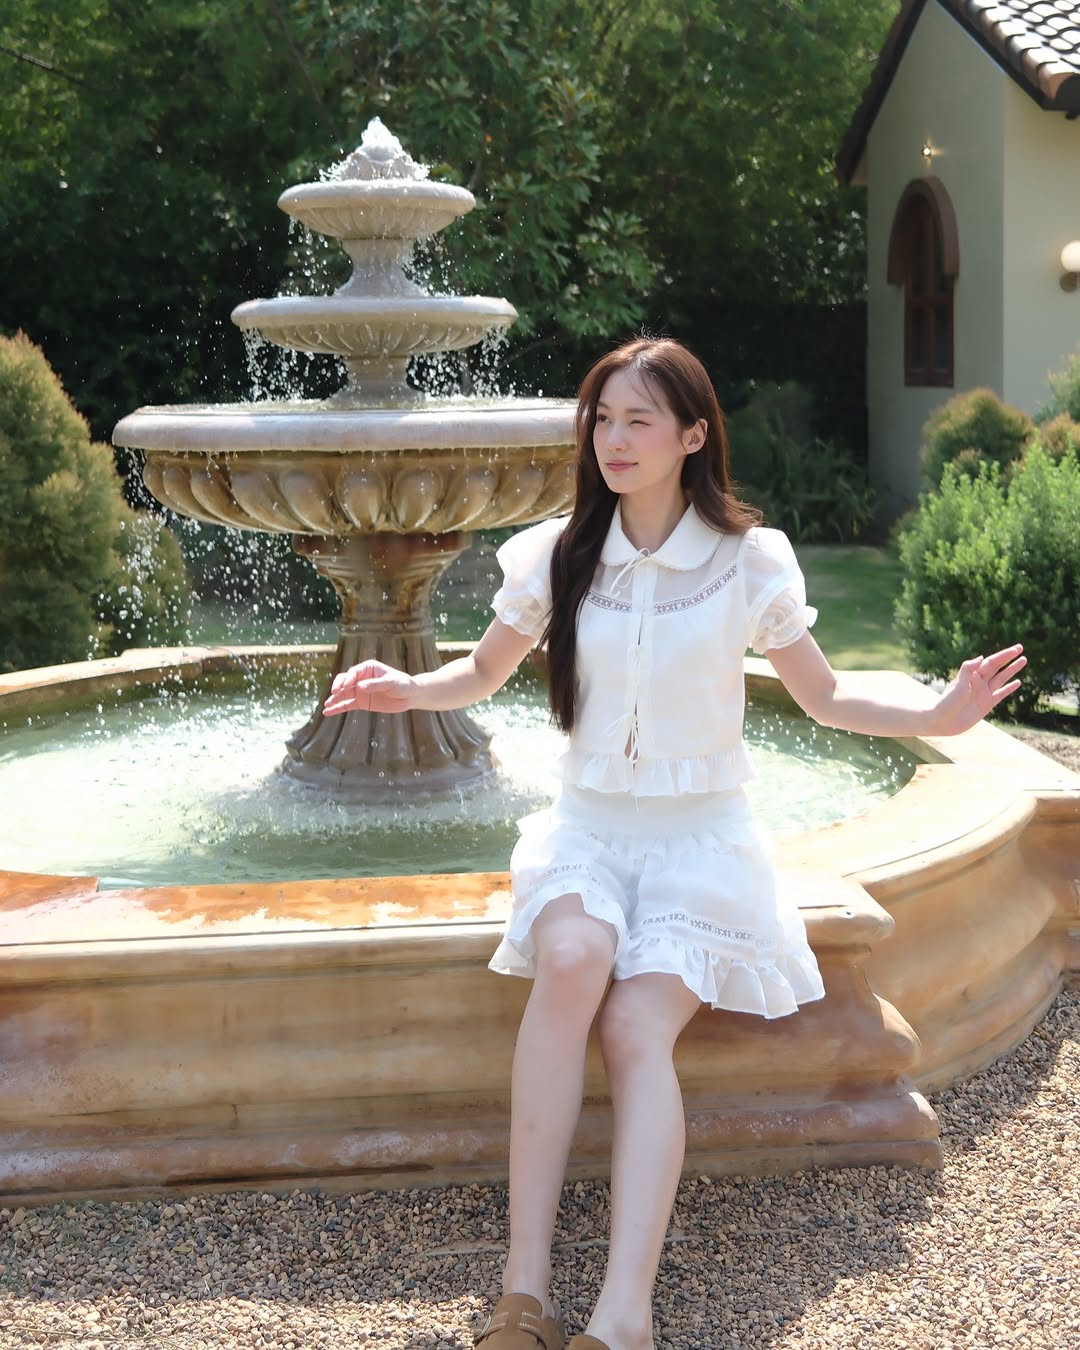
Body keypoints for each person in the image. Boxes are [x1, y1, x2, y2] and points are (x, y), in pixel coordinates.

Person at [323, 337, 1025, 1350]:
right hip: (588, 830)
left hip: (702, 846)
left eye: (638, 420)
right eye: (602, 419)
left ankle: (625, 1315)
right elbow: (480, 673)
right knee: (573, 959)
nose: (614, 439)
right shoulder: (558, 552)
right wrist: (406, 688)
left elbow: (825, 698)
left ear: (693, 436)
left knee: (632, 1027)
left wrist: (937, 715)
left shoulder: (747, 561)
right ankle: (524, 1293)